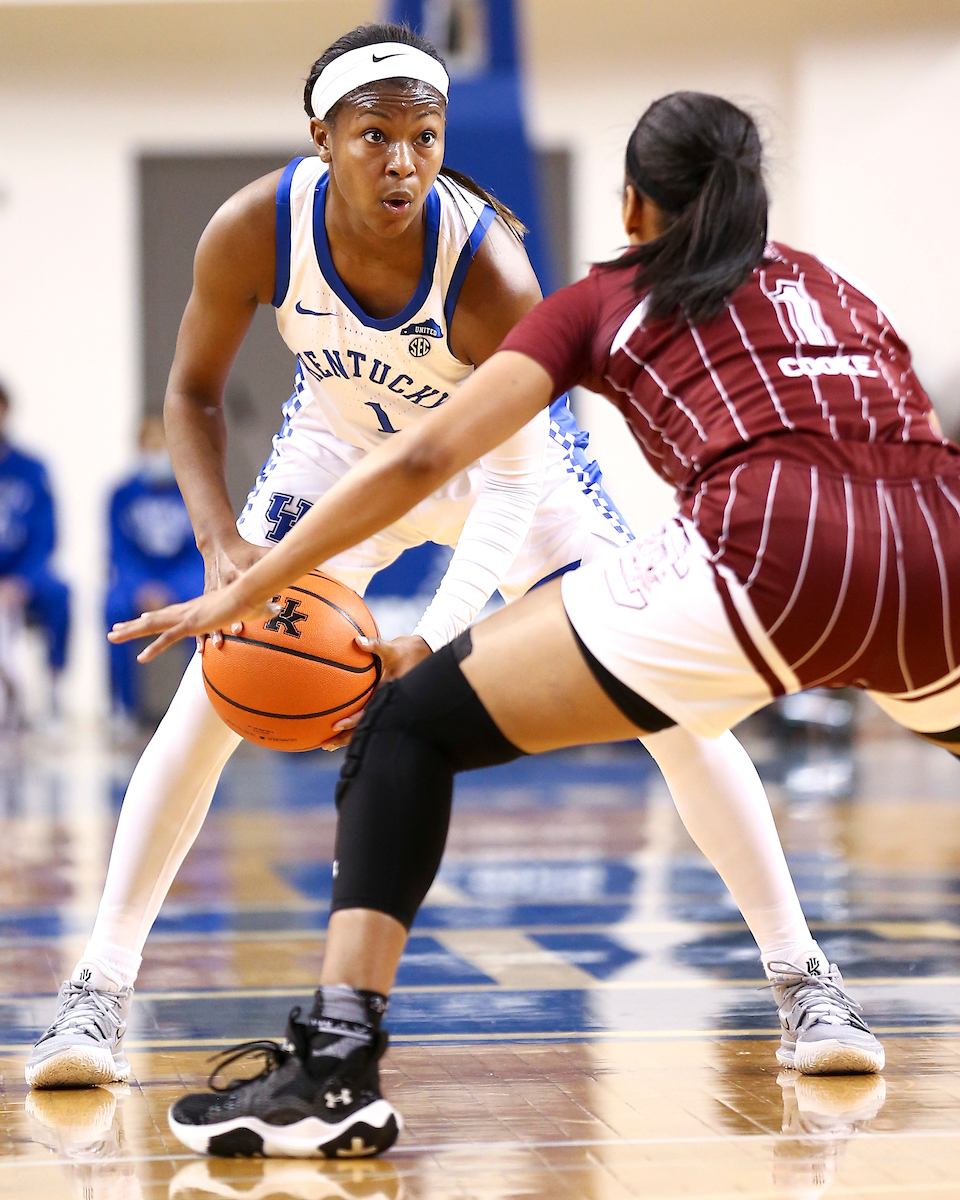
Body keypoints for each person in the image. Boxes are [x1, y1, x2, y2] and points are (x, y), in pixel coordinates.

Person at [103, 89, 920, 1159]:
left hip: (516, 479)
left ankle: (802, 977)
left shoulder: (497, 270)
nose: (402, 161)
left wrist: (433, 636)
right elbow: (214, 396)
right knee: (222, 678)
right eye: (376, 137)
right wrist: (231, 570)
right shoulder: (264, 224)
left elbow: (485, 474)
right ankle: (99, 988)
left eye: (424, 139)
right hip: (344, 454)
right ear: (324, 141)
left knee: (671, 715)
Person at [106, 415, 204, 720]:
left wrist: (172, 588)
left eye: (161, 444)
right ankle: (123, 709)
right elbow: (118, 551)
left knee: (202, 612)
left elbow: (200, 551)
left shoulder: (194, 491)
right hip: (139, 580)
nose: (155, 452)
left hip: (181, 579)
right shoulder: (120, 495)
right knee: (112, 609)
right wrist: (141, 586)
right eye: (148, 445)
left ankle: (194, 708)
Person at [0, 380, 70, 705]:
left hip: (24, 575)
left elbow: (46, 535)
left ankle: (55, 686)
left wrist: (21, 581)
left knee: (60, 593)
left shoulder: (32, 468)